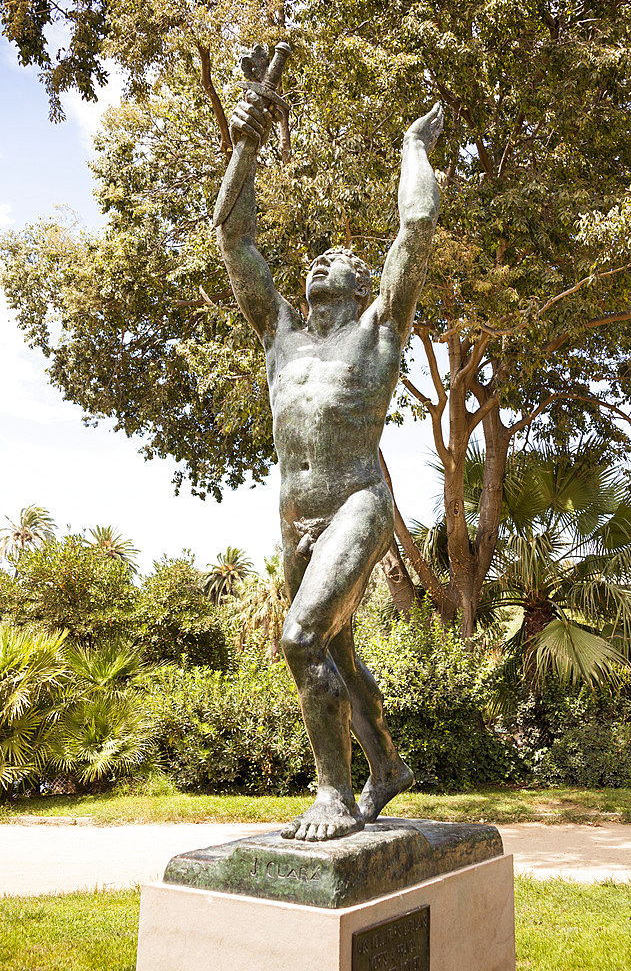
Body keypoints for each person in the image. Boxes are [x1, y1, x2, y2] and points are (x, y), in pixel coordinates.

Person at [217, 90, 443, 841]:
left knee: (299, 639)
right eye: (316, 259)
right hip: (293, 514)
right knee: (336, 650)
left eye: (340, 259)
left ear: (356, 286)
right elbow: (231, 233)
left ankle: (332, 794)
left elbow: (414, 230)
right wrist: (245, 142)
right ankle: (387, 767)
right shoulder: (279, 334)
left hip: (357, 501)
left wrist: (413, 146)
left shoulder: (380, 329)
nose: (323, 261)